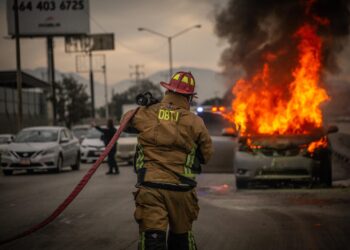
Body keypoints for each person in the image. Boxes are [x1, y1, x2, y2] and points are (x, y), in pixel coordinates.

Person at [122, 71, 213, 250]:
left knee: (152, 238)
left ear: (168, 91)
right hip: (182, 190)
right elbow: (207, 155)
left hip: (151, 188)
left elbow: (125, 122)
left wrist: (148, 107)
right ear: (189, 98)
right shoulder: (196, 122)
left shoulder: (146, 112)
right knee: (182, 239)